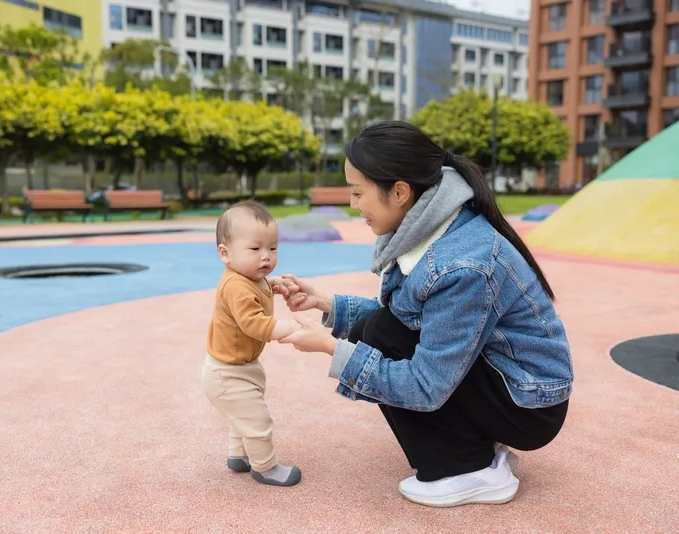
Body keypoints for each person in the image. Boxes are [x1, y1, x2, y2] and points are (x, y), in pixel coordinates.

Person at [275, 121, 573, 507]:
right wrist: (326, 303)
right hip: (508, 382)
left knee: (377, 335)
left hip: (527, 405)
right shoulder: (435, 228)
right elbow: (412, 319)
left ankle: (471, 470)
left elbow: (425, 385)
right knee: (377, 329)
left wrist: (332, 349)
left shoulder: (462, 265)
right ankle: (473, 446)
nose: (353, 205)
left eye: (358, 192)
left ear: (400, 192)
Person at [201, 200, 303, 487]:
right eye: (255, 249)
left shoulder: (250, 277)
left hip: (238, 367)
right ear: (225, 253)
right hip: (227, 374)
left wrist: (276, 285)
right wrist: (290, 328)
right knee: (257, 420)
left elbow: (260, 288)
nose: (266, 257)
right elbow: (253, 324)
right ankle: (266, 468)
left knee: (242, 415)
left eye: (273, 248)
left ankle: (239, 456)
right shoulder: (235, 285)